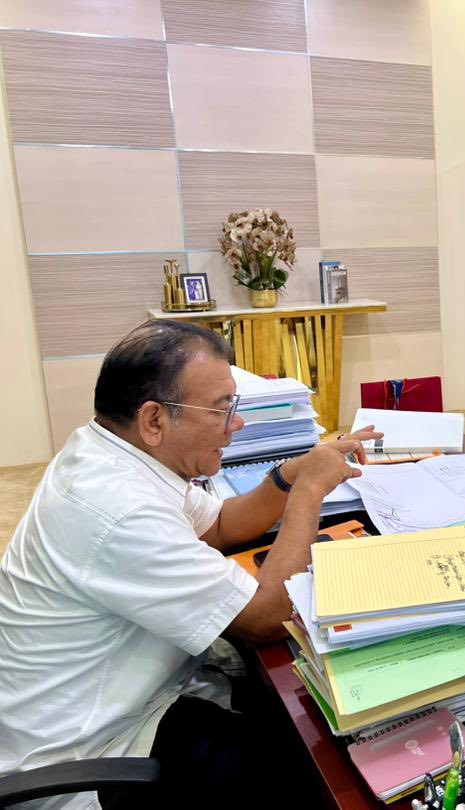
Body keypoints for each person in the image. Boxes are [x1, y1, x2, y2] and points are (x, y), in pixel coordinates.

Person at [0, 320, 380, 809]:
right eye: (222, 409)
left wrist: (291, 473)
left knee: (282, 717)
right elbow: (269, 617)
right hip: (86, 758)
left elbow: (220, 523)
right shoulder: (121, 509)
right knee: (310, 764)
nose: (235, 425)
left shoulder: (112, 453)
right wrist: (309, 492)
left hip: (126, 702)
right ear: (154, 420)